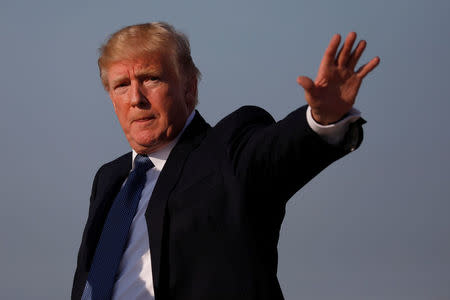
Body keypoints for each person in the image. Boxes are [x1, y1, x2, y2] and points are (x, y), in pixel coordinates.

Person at [72, 22, 379, 300]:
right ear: (112, 99)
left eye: (151, 79)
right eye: (121, 85)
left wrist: (321, 120)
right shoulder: (110, 179)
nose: (136, 98)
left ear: (189, 88)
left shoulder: (227, 151)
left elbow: (278, 151)